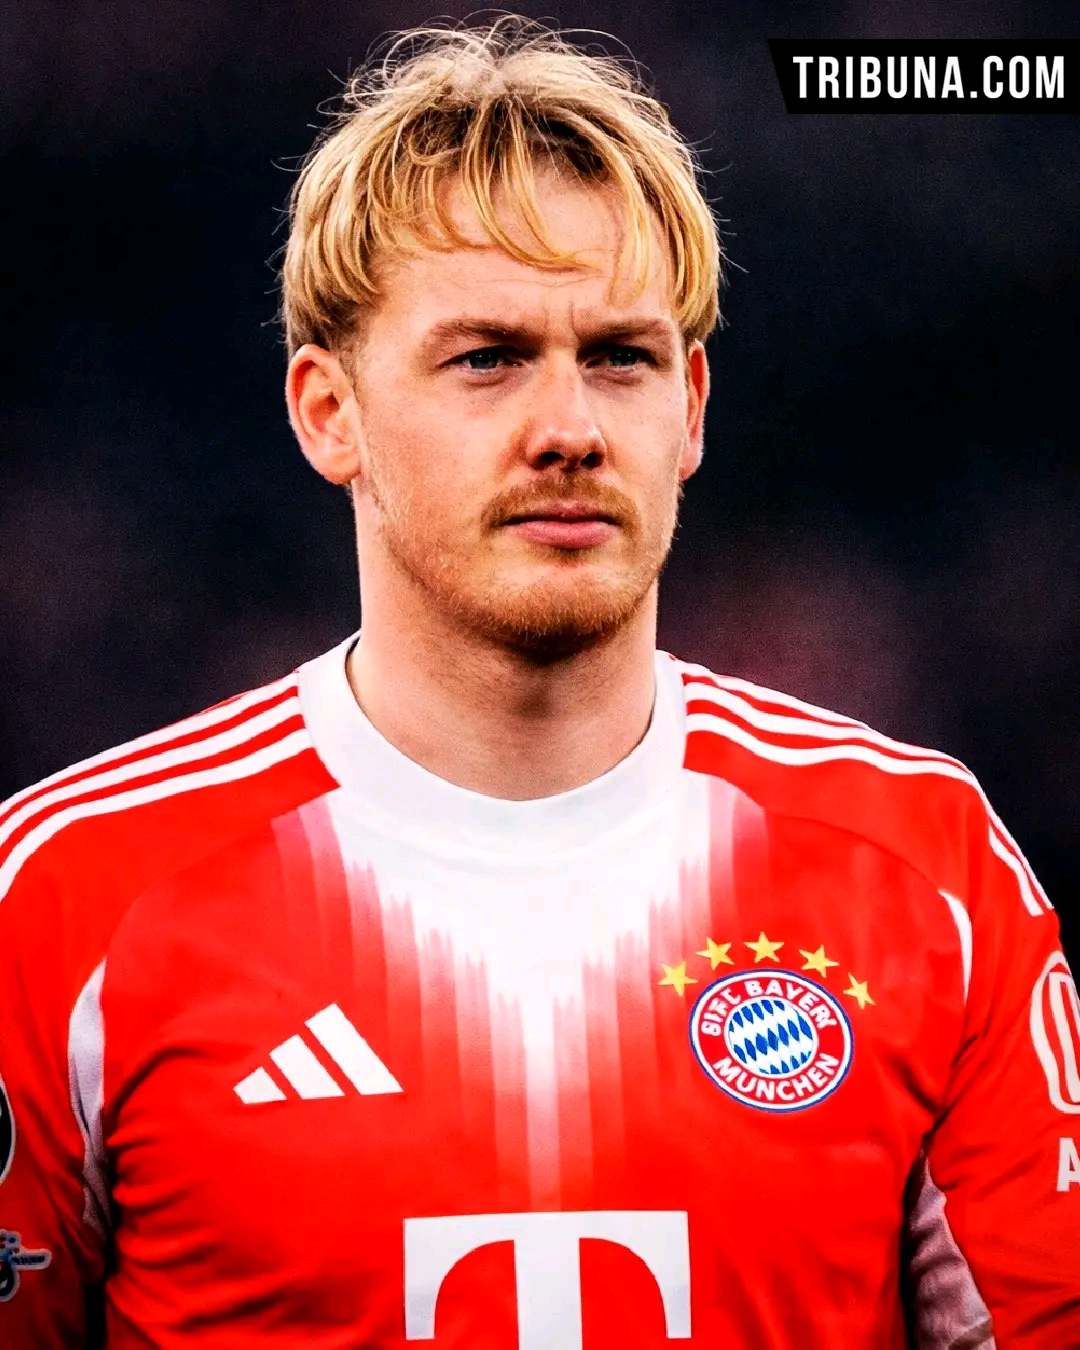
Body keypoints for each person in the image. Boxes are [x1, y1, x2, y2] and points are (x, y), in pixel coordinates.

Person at [0, 17, 1076, 1348]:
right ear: (329, 411)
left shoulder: (926, 865)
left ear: (691, 408)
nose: (569, 428)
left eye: (620, 357)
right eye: (488, 357)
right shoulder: (73, 898)